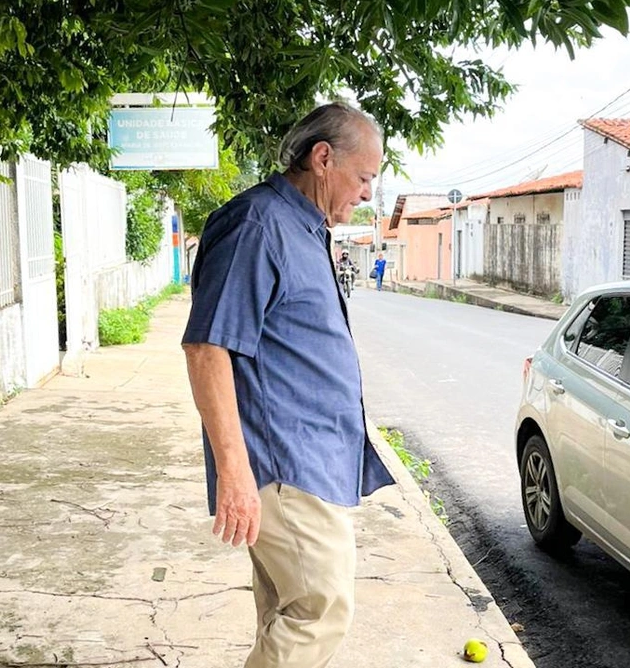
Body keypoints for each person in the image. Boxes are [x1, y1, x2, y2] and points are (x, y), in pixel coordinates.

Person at [181, 101, 395, 668]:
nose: (370, 193)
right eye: (365, 176)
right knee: (320, 611)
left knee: (287, 612)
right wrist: (234, 472)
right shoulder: (257, 225)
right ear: (323, 158)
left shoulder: (303, 227)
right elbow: (207, 348)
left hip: (311, 460)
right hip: (284, 467)